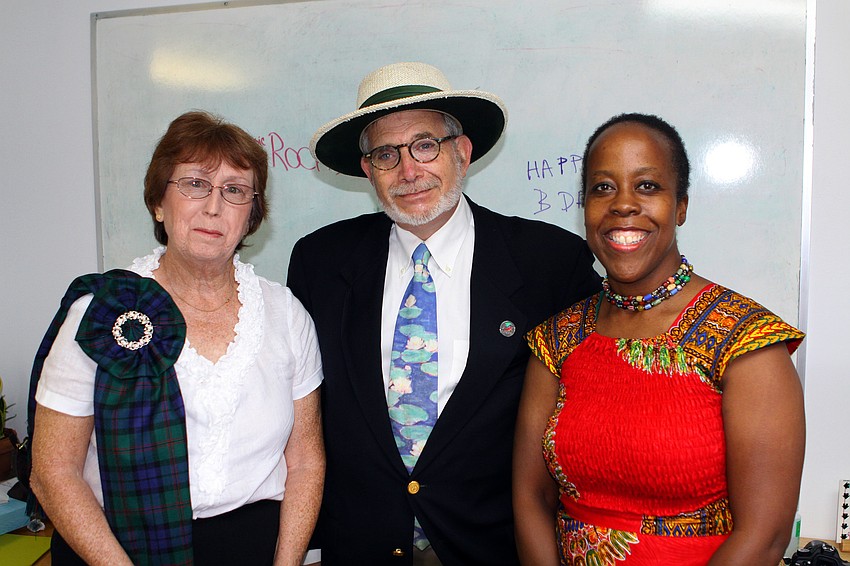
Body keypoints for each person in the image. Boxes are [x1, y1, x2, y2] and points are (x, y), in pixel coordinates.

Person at [286, 61, 600, 565]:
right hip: (360, 548)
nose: (409, 171)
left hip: (495, 547)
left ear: (463, 152)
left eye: (425, 145)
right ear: (367, 170)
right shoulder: (320, 262)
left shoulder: (548, 262)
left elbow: (591, 407)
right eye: (387, 154)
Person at [28, 110, 324, 566]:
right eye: (194, 184)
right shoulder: (101, 310)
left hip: (254, 549)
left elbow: (305, 461)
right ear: (158, 203)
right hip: (114, 550)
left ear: (251, 216)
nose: (214, 206)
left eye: (235, 190)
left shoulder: (286, 315)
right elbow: (53, 473)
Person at [513, 112, 806, 565]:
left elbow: (764, 536)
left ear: (681, 205)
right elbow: (531, 497)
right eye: (603, 187)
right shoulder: (555, 341)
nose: (623, 204)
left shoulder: (745, 341)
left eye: (647, 186)